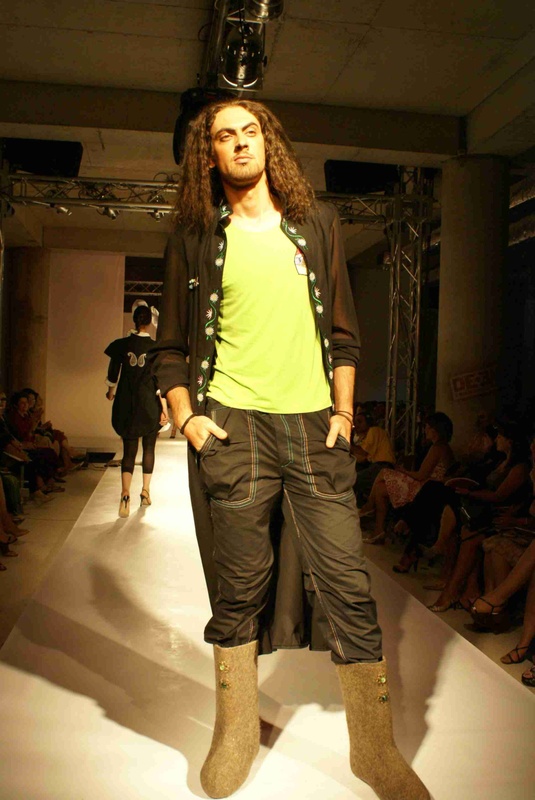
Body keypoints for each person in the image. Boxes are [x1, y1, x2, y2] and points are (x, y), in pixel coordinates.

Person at [150, 98, 430, 800]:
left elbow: (344, 334)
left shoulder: (317, 223)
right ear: (209, 154)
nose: (240, 144)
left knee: (348, 583)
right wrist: (188, 419)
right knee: (239, 586)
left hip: (313, 428)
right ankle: (235, 733)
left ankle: (375, 750)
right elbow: (171, 345)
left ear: (268, 143)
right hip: (233, 427)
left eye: (250, 131)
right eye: (225, 136)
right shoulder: (194, 236)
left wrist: (344, 413)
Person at [105, 303, 166, 517]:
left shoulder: (122, 345)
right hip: (149, 405)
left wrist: (111, 392)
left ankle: (125, 494)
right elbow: (159, 381)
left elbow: (113, 372)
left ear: (134, 319)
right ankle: (145, 492)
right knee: (149, 448)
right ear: (149, 322)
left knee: (129, 451)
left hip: (127, 404)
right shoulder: (155, 348)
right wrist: (164, 408)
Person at [358, 411, 455, 544]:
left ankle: (370, 507)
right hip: (427, 486)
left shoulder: (437, 448)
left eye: (427, 427)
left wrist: (403, 471)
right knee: (380, 488)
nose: (425, 430)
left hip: (425, 489)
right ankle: (378, 530)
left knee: (384, 472)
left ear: (435, 430)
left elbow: (421, 475)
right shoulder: (442, 447)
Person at [351, 409, 395, 506]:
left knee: (354, 480)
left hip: (383, 466)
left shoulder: (374, 431)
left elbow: (362, 452)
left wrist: (346, 444)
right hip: (380, 466)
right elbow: (362, 458)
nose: (356, 425)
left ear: (368, 422)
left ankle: (359, 507)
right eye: (355, 423)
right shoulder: (371, 434)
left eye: (360, 422)